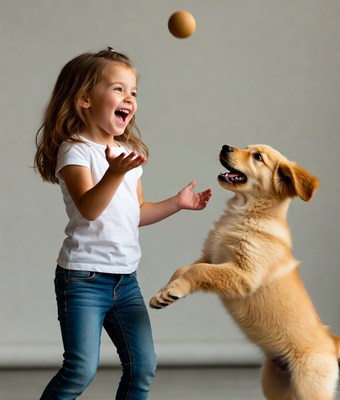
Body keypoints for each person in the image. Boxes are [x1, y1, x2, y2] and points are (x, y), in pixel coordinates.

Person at [34, 47, 212, 400]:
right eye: (118, 89)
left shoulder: (128, 153)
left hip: (125, 280)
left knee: (142, 366)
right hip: (82, 279)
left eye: (133, 92)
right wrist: (115, 173)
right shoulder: (75, 151)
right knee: (80, 370)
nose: (129, 98)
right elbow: (89, 208)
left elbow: (136, 212)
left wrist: (176, 204)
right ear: (85, 99)